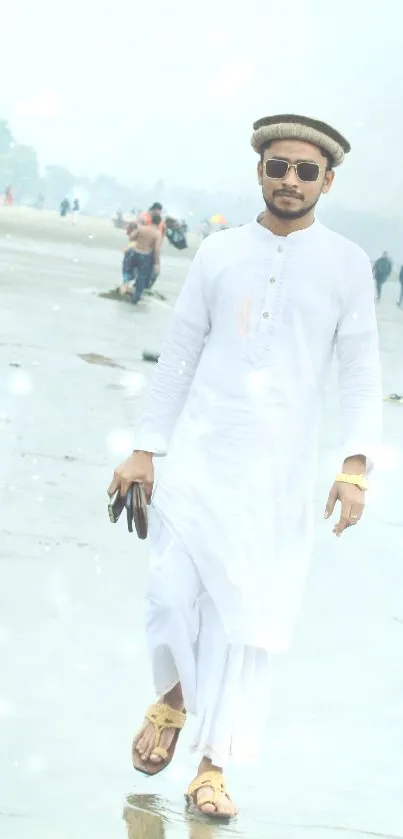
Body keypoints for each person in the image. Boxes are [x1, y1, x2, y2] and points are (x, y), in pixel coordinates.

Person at [108, 113, 382, 818]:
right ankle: (171, 700)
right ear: (259, 170)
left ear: (327, 179)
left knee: (244, 622)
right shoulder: (219, 253)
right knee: (170, 595)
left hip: (278, 472)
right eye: (277, 166)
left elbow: (359, 369)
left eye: (304, 170)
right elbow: (179, 353)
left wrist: (354, 466)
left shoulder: (348, 264)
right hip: (200, 454)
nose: (289, 179)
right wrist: (145, 446)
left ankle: (213, 765)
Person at [119, 213, 162, 304]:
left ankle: (122, 292)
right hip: (145, 257)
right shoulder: (157, 234)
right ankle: (134, 301)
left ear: (150, 220)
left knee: (127, 277)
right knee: (141, 280)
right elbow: (156, 250)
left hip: (134, 253)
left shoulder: (142, 228)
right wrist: (156, 264)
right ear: (159, 223)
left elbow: (131, 237)